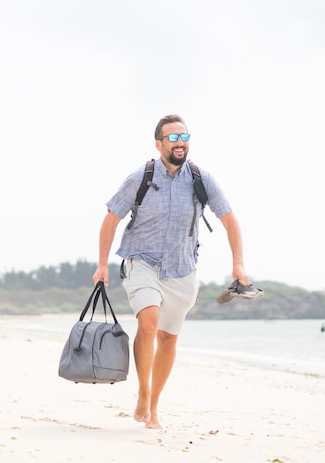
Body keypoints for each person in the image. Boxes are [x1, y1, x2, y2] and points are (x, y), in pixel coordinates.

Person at [92, 114, 252, 429]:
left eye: (184, 137)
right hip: (142, 262)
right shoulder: (141, 177)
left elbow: (230, 221)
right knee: (149, 324)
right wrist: (101, 264)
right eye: (173, 138)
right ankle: (143, 391)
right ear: (159, 143)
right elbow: (111, 219)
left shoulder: (201, 179)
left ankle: (153, 405)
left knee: (167, 339)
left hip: (182, 269)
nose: (180, 143)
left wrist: (238, 263)